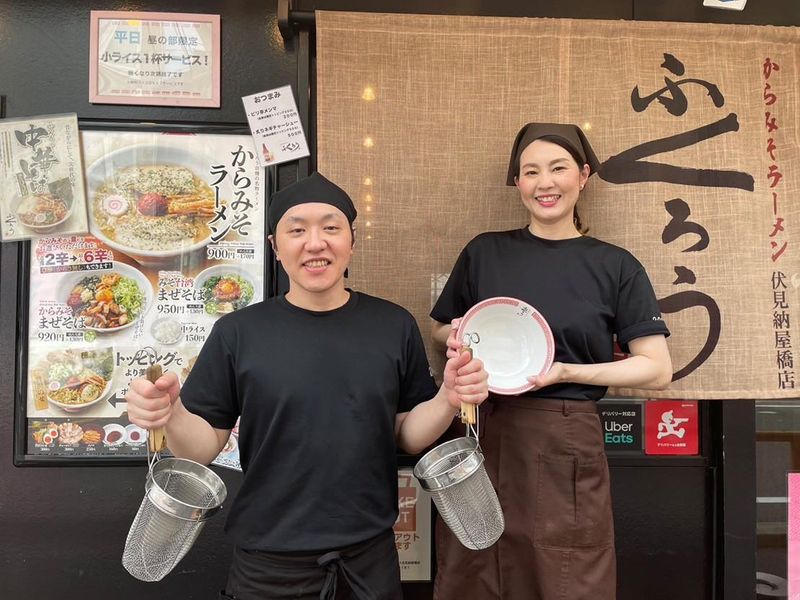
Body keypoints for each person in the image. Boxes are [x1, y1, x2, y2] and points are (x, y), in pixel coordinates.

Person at [126, 172, 489, 600]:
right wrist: (171, 414)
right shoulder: (238, 333)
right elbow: (202, 448)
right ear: (275, 247)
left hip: (369, 557)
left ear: (352, 241)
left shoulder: (393, 325)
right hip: (267, 563)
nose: (315, 243)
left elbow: (406, 434)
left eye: (331, 228)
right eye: (296, 231)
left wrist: (448, 397)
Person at [430, 123, 673, 600]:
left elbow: (655, 367)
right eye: (531, 172)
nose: (545, 183)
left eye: (558, 168)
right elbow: (439, 328)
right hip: (483, 427)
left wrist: (564, 371)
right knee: (474, 566)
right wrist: (457, 337)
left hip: (566, 436)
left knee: (565, 570)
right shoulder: (485, 252)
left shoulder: (614, 265)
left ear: (583, 176)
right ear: (517, 182)